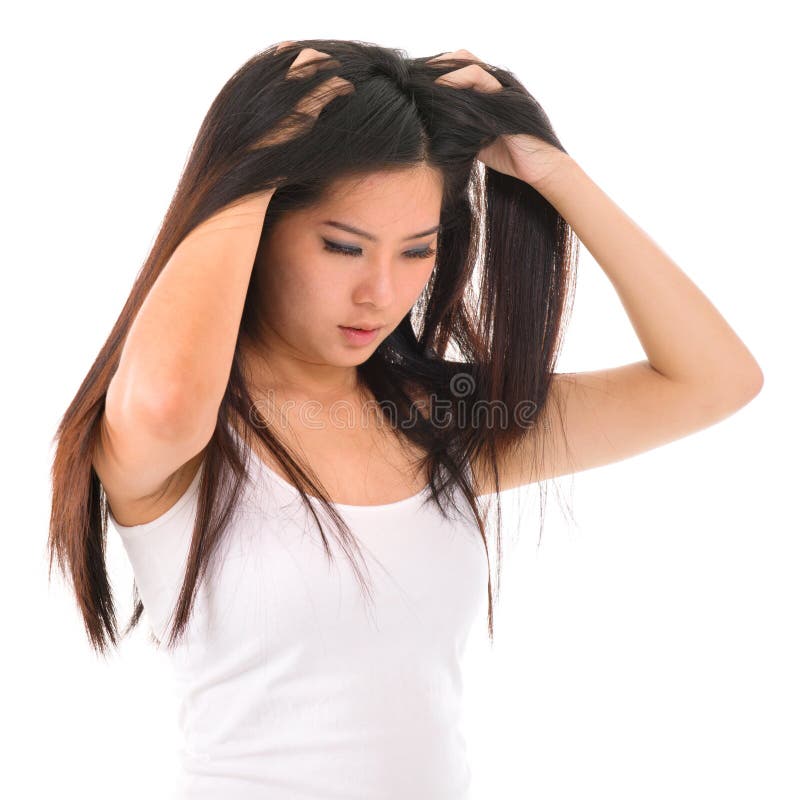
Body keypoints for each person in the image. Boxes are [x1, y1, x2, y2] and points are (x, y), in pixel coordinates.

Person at [48, 39, 763, 799]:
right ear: (258, 229)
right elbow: (164, 399)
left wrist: (556, 172)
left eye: (416, 251)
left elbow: (714, 380)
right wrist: (249, 167)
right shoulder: (178, 437)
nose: (381, 293)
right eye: (342, 246)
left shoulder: (441, 427)